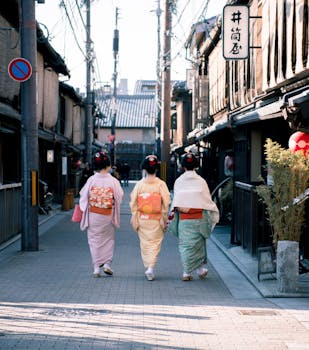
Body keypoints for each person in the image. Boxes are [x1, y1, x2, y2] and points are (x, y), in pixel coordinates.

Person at [170, 152, 219, 281]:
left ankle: (187, 272)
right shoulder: (201, 181)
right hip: (199, 219)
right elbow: (207, 201)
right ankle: (201, 269)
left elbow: (176, 202)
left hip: (185, 220)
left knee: (186, 245)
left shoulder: (179, 181)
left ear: (183, 165)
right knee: (199, 244)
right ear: (196, 165)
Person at [79, 152, 124, 277]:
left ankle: (96, 268)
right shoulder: (113, 181)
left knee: (94, 240)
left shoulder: (91, 180)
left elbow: (83, 196)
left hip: (94, 214)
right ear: (108, 165)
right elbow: (119, 196)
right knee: (108, 239)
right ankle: (107, 264)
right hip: (108, 214)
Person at [129, 155, 171, 281]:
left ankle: (148, 266)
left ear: (144, 169)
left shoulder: (139, 185)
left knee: (145, 244)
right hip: (156, 218)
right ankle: (151, 267)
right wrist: (163, 216)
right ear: (156, 169)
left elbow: (133, 202)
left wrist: (135, 216)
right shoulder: (161, 184)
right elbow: (166, 201)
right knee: (155, 243)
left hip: (143, 218)